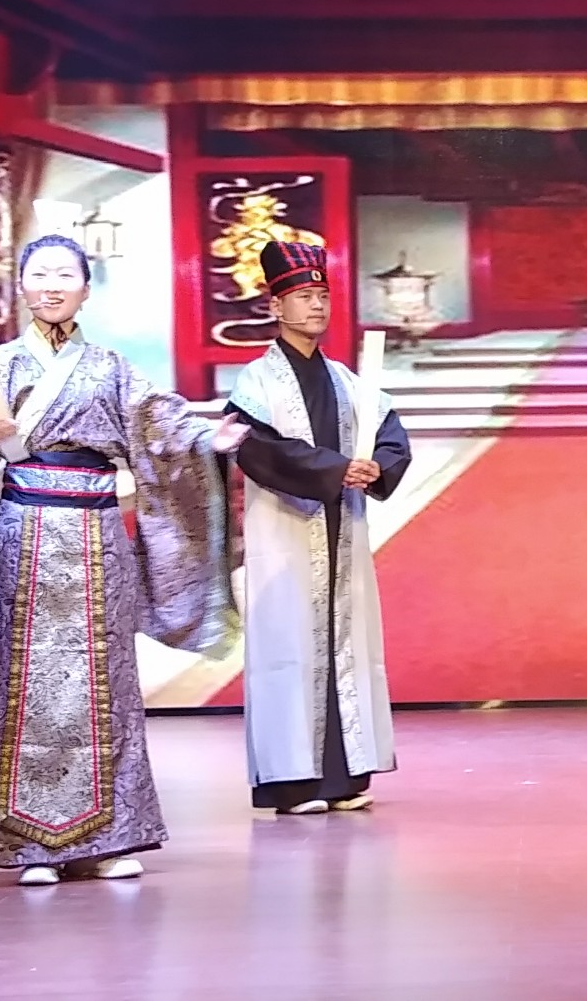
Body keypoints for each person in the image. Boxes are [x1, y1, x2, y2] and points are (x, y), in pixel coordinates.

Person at [0, 234, 248, 886]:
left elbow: (162, 426)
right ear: (22, 286)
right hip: (20, 538)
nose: (52, 285)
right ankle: (26, 846)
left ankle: (107, 838)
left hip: (97, 537)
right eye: (39, 274)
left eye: (65, 274)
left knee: (105, 686)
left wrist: (208, 439)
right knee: (20, 687)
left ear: (86, 289)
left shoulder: (113, 369)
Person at [223, 241, 411, 815]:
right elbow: (257, 449)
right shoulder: (256, 382)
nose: (316, 306)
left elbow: (391, 436)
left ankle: (345, 777)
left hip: (342, 527)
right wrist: (333, 469)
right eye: (303, 296)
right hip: (286, 529)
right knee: (289, 647)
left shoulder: (349, 381)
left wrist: (376, 467)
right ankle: (292, 784)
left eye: (322, 296)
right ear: (275, 306)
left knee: (347, 645)